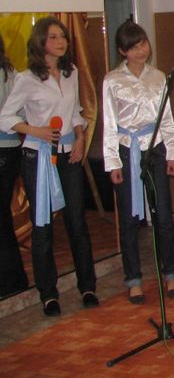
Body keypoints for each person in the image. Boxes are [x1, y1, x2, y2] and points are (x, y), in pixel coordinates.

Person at [0, 17, 98, 316]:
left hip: (69, 155)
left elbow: (76, 112)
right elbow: (5, 117)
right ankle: (48, 293)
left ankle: (87, 286)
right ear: (40, 42)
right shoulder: (26, 78)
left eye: (63, 36)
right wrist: (35, 130)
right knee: (42, 225)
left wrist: (80, 137)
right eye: (53, 37)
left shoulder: (71, 73)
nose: (61, 41)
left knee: (77, 222)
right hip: (38, 157)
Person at [102, 21, 174, 304]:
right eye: (134, 47)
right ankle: (133, 279)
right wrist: (113, 162)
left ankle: (170, 273)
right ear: (122, 51)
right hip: (126, 151)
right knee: (128, 219)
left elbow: (167, 119)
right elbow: (109, 124)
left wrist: (172, 153)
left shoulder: (159, 77)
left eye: (144, 44)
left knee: (164, 216)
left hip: (155, 149)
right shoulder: (112, 80)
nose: (141, 50)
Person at [0, 35, 28, 297]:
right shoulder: (11, 73)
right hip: (9, 149)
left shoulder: (10, 75)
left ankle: (11, 281)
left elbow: (18, 115)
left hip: (4, 149)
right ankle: (14, 279)